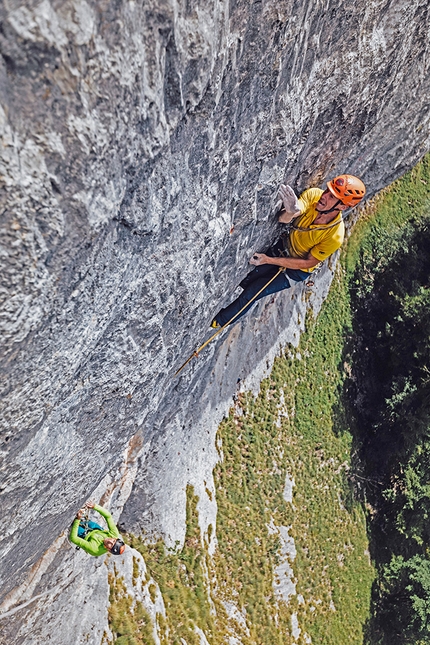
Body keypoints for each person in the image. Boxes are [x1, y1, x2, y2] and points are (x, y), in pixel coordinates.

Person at [211, 174, 366, 327]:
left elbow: (307, 263)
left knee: (254, 291)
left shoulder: (334, 236)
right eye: (327, 191)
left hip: (297, 271)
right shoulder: (314, 196)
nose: (324, 196)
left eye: (332, 197)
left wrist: (268, 260)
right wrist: (291, 211)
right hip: (283, 247)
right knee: (248, 279)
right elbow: (284, 218)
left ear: (343, 206)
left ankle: (220, 321)